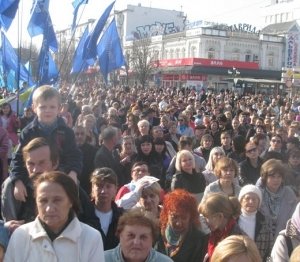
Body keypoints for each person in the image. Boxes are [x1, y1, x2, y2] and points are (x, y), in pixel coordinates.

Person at [1, 137, 102, 235]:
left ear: (55, 163)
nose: (36, 170)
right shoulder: (12, 187)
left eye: (42, 163)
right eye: (31, 164)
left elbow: (93, 224)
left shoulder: (69, 186)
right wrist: (6, 228)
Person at [4, 171, 104, 261]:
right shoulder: (21, 236)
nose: (49, 208)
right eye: (43, 201)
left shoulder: (90, 238)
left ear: (71, 201)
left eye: (57, 200)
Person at [10, 85, 82, 203]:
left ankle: (72, 214)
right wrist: (17, 180)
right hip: (35, 174)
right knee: (9, 185)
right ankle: (11, 219)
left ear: (59, 108)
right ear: (34, 108)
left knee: (75, 185)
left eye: (52, 107)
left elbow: (74, 155)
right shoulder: (28, 132)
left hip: (59, 173)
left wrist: (73, 172)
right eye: (43, 107)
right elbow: (18, 157)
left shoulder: (66, 132)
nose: (47, 110)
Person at [156, 189, 208, 262]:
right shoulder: (156, 232)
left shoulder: (199, 240)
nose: (178, 223)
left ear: (191, 217)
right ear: (167, 213)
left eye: (184, 218)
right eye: (174, 217)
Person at [105, 208, 172, 262]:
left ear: (152, 240)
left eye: (143, 237)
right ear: (120, 236)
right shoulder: (101, 259)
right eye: (131, 236)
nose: (136, 242)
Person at [258, 159, 298, 238]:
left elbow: (294, 221)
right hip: (261, 240)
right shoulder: (257, 194)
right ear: (265, 177)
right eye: (272, 176)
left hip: (283, 239)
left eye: (279, 176)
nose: (276, 180)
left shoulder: (289, 194)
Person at [198, 193, 245, 260]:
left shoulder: (237, 241)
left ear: (220, 216)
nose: (204, 221)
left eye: (206, 217)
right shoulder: (215, 234)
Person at [90, 167, 124, 250]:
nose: (103, 191)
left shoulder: (123, 217)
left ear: (115, 189)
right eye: (99, 186)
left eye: (108, 186)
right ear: (92, 188)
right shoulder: (83, 215)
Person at [238, 185, 273, 260]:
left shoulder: (264, 221)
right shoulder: (233, 220)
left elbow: (269, 246)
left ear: (259, 202)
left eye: (254, 199)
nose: (251, 202)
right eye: (247, 198)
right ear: (241, 200)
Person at [73, 125, 97, 194]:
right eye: (77, 134)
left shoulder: (93, 151)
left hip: (88, 186)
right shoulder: (68, 151)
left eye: (82, 134)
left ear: (86, 135)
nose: (79, 136)